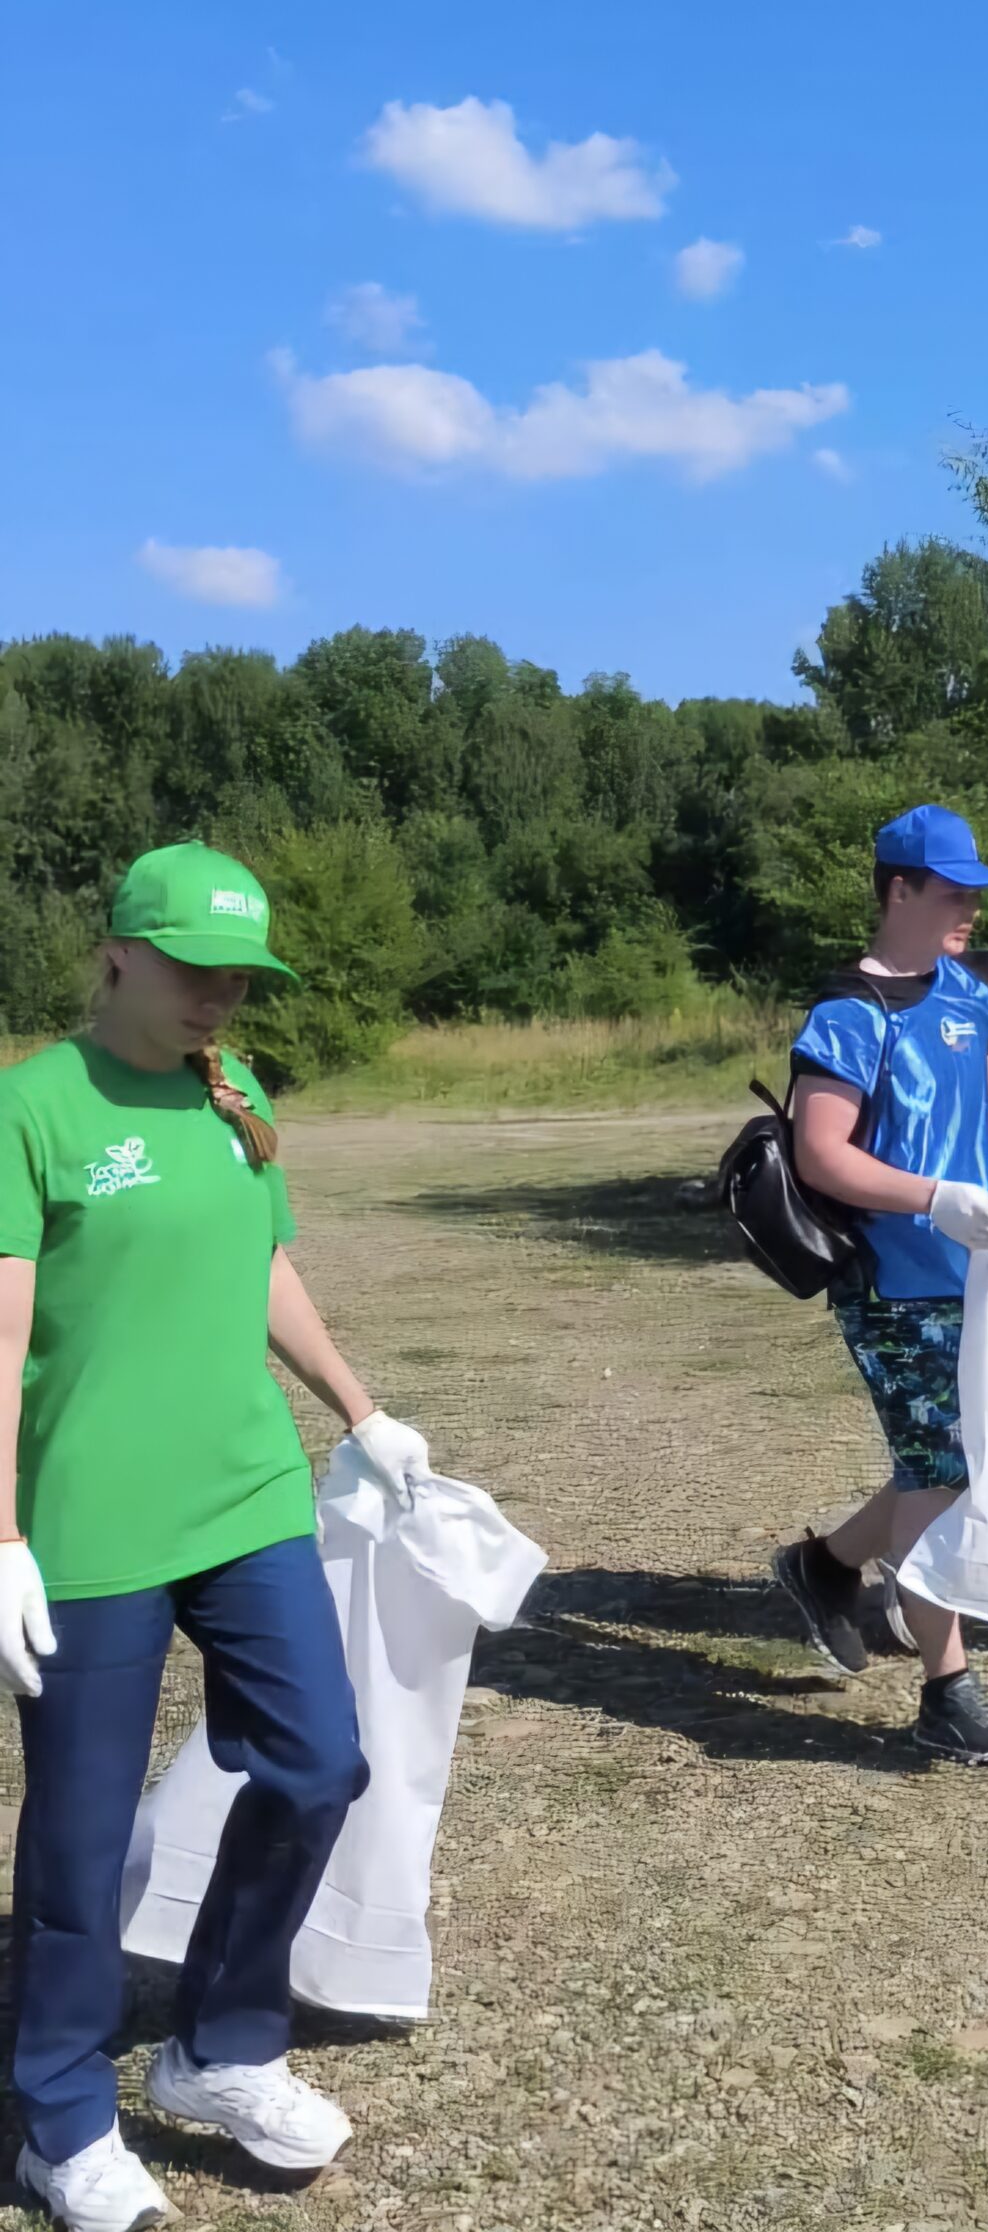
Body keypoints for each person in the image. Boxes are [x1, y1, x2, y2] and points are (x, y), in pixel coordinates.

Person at [0, 843, 432, 2232]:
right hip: (91, 1525)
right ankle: (62, 2119)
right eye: (193, 968)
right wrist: (1, 1535)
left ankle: (219, 2049)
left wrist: (360, 1409)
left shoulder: (231, 1088)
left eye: (239, 975)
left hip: (245, 1500)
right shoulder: (30, 1109)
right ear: (117, 953)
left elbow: (262, 1268)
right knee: (79, 1846)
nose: (218, 996)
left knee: (319, 1762)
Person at [770, 805, 988, 1768]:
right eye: (952, 892)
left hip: (979, 1276)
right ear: (898, 890)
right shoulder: (849, 1013)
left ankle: (825, 1565)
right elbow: (820, 1154)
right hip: (891, 1281)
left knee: (954, 1460)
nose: (971, 909)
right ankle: (946, 1689)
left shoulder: (970, 996)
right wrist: (935, 1197)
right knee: (941, 1470)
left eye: (975, 893)